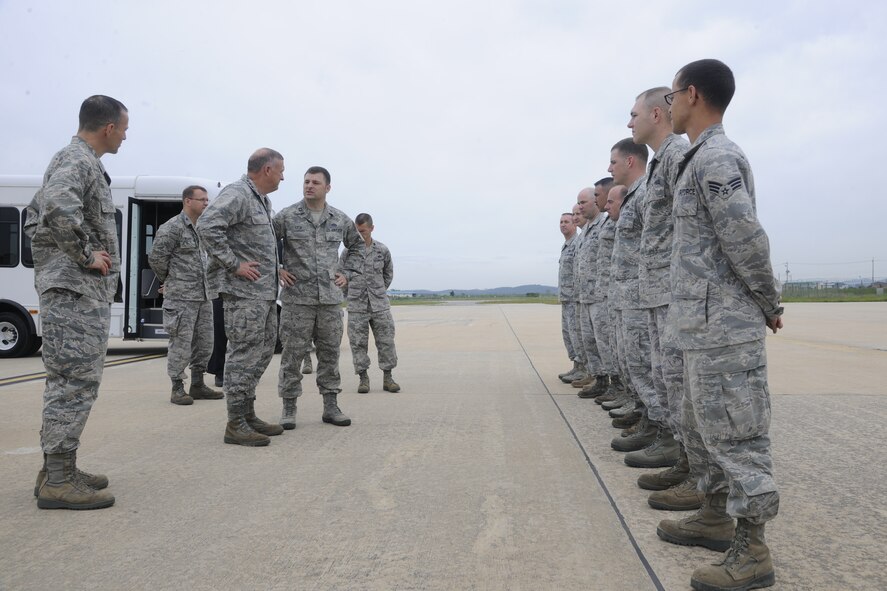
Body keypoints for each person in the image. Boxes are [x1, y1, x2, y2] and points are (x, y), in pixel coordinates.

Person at [655, 59, 782, 591]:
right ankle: (713, 513)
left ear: (691, 94)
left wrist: (768, 300)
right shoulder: (698, 157)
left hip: (725, 328)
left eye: (672, 98)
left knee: (737, 437)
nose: (668, 108)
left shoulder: (719, 157)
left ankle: (753, 550)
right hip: (698, 327)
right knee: (703, 429)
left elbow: (745, 236)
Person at [24, 95, 128, 510]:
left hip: (78, 290)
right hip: (74, 291)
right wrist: (85, 255)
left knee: (74, 381)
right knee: (73, 383)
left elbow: (35, 215)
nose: (124, 136)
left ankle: (56, 469)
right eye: (123, 128)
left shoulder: (78, 161)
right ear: (108, 128)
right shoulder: (78, 160)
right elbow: (56, 208)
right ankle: (58, 481)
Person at [628, 87, 702, 509]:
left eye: (634, 113)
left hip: (675, 294)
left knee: (680, 386)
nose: (629, 122)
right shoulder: (661, 163)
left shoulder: (675, 155)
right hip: (657, 295)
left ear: (657, 113)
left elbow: (693, 221)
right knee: (668, 384)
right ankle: (686, 460)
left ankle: (696, 472)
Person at [197, 148, 286, 447]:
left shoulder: (262, 200)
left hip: (263, 295)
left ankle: (247, 413)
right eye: (281, 170)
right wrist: (233, 264)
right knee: (242, 354)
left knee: (260, 353)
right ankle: (235, 422)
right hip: (243, 295)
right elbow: (208, 226)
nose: (284, 176)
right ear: (267, 170)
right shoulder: (238, 194)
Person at [274, 166, 363, 429]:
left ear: (327, 187)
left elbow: (357, 246)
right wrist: (276, 268)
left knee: (329, 355)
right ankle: (289, 408)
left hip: (329, 301)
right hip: (296, 300)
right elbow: (265, 242)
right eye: (306, 181)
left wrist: (346, 272)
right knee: (292, 355)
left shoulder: (339, 219)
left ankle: (331, 406)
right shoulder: (287, 216)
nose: (309, 186)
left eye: (315, 182)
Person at [606, 138, 669, 461]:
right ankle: (652, 421)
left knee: (648, 367)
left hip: (645, 298)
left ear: (630, 162)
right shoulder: (634, 196)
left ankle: (664, 432)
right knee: (639, 366)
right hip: (632, 297)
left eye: (613, 161)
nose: (608, 168)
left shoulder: (644, 193)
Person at [148, 185, 222, 405]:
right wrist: (171, 280)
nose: (206, 204)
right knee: (181, 343)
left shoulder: (203, 228)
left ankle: (198, 384)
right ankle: (177, 387)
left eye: (207, 200)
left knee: (205, 343)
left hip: (204, 296)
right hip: (181, 298)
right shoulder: (172, 228)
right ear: (188, 201)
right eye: (202, 200)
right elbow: (156, 258)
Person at [342, 213, 400, 393]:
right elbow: (340, 276)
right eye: (357, 231)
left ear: (371, 228)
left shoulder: (382, 250)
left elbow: (388, 274)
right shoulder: (348, 253)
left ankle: (388, 378)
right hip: (357, 306)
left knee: (386, 342)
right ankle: (363, 379)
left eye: (363, 231)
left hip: (379, 306)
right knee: (358, 343)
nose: (360, 235)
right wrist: (350, 295)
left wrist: (379, 291)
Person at [574, 187, 609, 398]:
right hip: (585, 296)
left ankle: (613, 383)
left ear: (595, 202)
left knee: (603, 342)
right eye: (579, 203)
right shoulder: (586, 230)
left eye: (583, 202)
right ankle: (599, 378)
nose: (580, 206)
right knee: (590, 340)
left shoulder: (603, 224)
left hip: (600, 295)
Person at [557, 211, 583, 383]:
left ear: (574, 224)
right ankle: (576, 366)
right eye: (561, 222)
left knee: (576, 334)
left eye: (567, 221)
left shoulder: (577, 243)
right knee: (568, 334)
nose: (563, 224)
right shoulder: (566, 245)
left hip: (575, 297)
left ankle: (583, 368)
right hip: (566, 298)